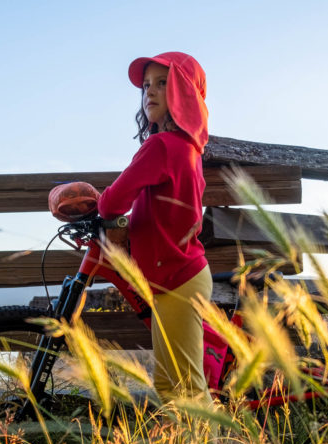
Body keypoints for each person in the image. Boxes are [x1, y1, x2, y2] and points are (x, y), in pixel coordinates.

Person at [96, 51, 212, 403]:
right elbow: (160, 212)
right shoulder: (186, 147)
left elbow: (112, 201)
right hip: (179, 276)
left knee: (184, 389)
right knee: (172, 385)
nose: (150, 92)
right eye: (146, 85)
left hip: (176, 280)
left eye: (163, 83)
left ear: (185, 93)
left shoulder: (160, 146)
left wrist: (102, 209)